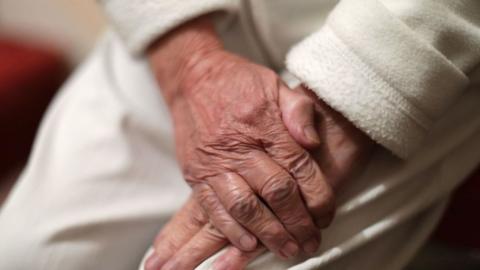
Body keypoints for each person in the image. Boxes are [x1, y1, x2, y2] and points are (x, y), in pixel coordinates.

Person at [0, 0, 480, 269]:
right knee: (28, 257)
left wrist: (359, 92)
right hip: (176, 26)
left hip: (390, 53)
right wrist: (189, 62)